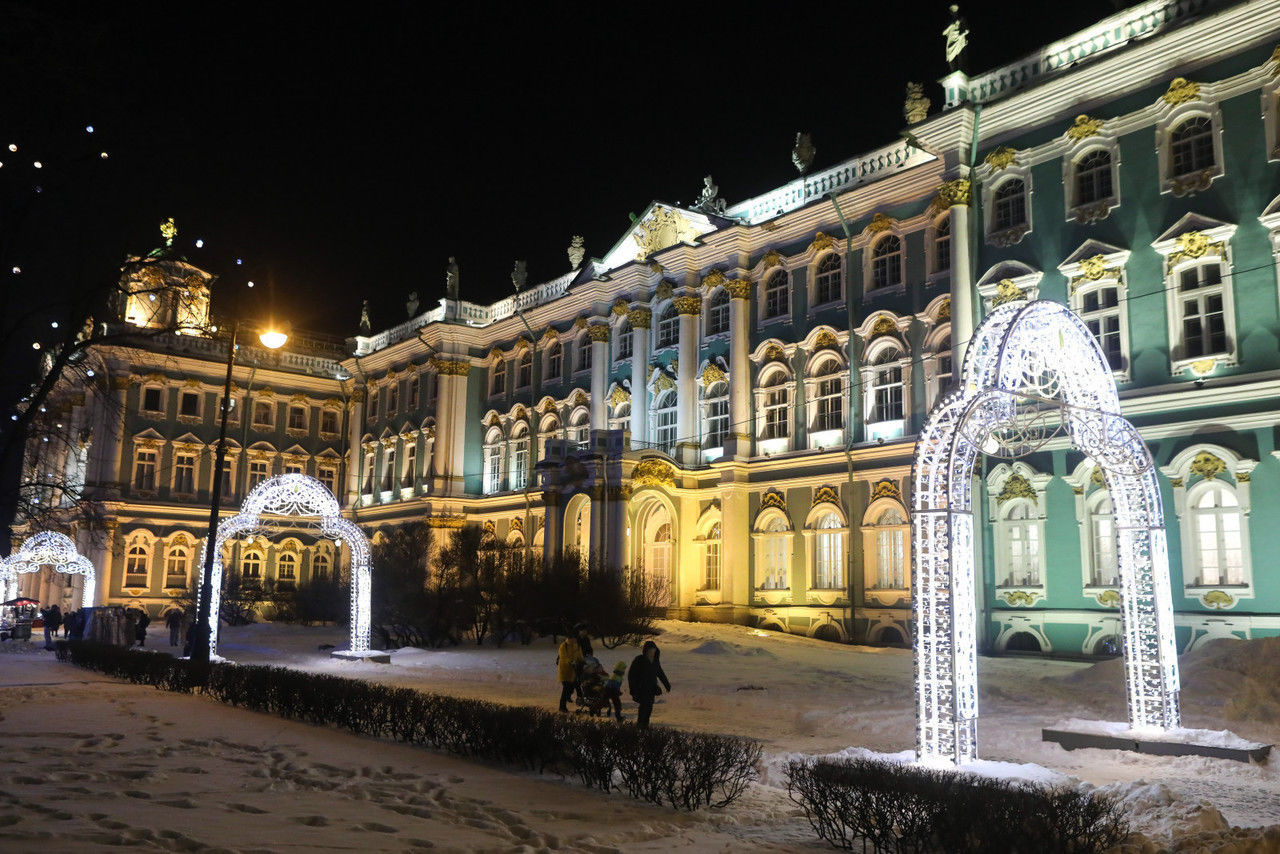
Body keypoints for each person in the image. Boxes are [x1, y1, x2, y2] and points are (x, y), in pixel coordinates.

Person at [627, 640, 671, 729]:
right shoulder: (639, 660)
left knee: (649, 707)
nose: (652, 653)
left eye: (653, 651)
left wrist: (667, 684)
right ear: (646, 651)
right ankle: (640, 725)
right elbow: (631, 675)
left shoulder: (655, 662)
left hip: (651, 688)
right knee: (643, 706)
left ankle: (645, 725)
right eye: (650, 651)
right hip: (641, 688)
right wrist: (633, 689)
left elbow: (660, 673)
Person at [556, 633, 583, 713]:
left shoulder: (577, 645)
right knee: (566, 688)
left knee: (574, 686)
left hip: (574, 671)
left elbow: (580, 656)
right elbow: (563, 657)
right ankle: (562, 706)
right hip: (565, 671)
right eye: (574, 638)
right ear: (570, 638)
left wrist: (582, 662)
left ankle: (577, 699)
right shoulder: (563, 646)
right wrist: (571, 662)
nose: (575, 640)